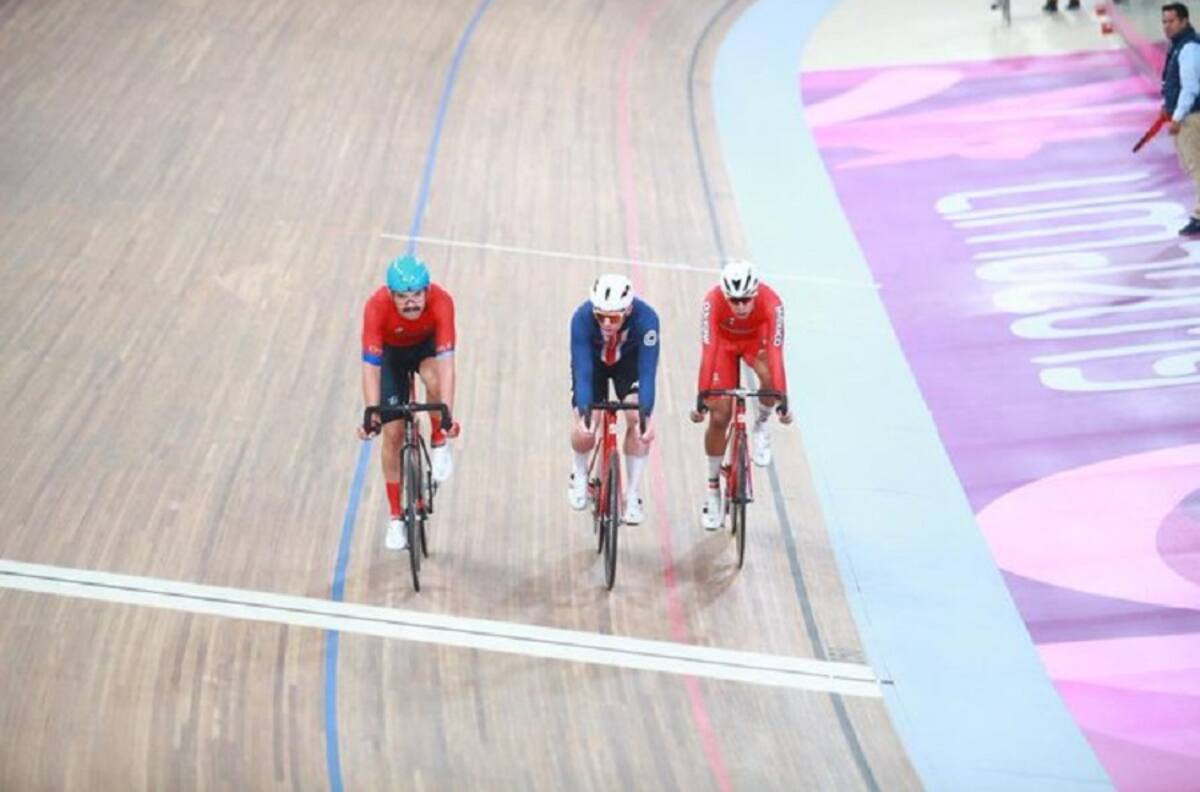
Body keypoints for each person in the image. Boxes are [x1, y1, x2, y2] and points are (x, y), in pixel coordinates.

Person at [357, 254, 459, 551]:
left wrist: (448, 416)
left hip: (425, 350)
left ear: (427, 290)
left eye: (416, 295)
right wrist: (372, 414)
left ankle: (439, 442)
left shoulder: (442, 302)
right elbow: (370, 367)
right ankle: (394, 517)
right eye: (403, 297)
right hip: (391, 357)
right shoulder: (376, 307)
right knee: (392, 434)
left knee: (435, 381)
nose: (411, 302)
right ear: (391, 295)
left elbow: (448, 365)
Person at [689, 260, 792, 531]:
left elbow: (776, 353)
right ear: (725, 295)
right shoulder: (712, 301)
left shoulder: (772, 303)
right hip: (722, 347)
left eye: (746, 299)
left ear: (755, 292)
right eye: (734, 300)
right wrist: (702, 397)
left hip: (754, 343)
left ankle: (760, 425)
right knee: (720, 415)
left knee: (769, 380)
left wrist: (783, 399)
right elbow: (708, 350)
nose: (741, 306)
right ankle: (713, 488)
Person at [568, 274, 660, 525]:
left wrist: (646, 415)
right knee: (587, 426)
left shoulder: (647, 319)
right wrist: (585, 413)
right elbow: (583, 371)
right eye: (601, 316)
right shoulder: (581, 318)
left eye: (615, 318)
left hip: (628, 367)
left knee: (637, 421)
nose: (607, 323)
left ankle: (631, 494)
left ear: (628, 309)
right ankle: (579, 472)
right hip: (594, 367)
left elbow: (648, 371)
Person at [1162, 3, 1200, 235]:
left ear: (1184, 21)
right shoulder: (1180, 46)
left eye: (1172, 21)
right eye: (1164, 22)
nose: (1167, 26)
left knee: (1196, 166)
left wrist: (1176, 116)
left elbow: (1190, 87)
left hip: (1191, 117)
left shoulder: (1188, 48)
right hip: (1188, 114)